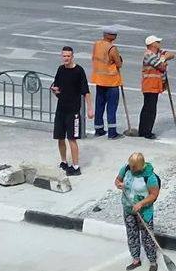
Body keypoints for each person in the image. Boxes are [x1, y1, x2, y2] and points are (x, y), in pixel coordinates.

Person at [114, 152, 160, 271]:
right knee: (132, 235)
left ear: (140, 165)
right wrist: (118, 184)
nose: (131, 169)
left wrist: (141, 203)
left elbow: (154, 195)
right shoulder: (126, 169)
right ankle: (136, 259)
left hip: (144, 211)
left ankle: (152, 261)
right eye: (130, 166)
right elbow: (117, 180)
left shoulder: (150, 177)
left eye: (134, 167)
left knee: (147, 237)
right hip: (128, 208)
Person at [51, 46, 94, 176]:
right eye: (64, 56)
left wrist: (90, 109)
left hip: (73, 111)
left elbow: (86, 91)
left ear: (72, 57)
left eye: (68, 56)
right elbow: (56, 86)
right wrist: (54, 90)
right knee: (60, 137)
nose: (66, 58)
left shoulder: (79, 71)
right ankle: (64, 161)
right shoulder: (60, 69)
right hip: (61, 109)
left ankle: (76, 166)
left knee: (72, 139)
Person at [138, 36, 174, 140]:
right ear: (152, 44)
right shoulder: (149, 55)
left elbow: (171, 55)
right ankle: (146, 132)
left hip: (155, 85)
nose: (159, 43)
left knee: (148, 108)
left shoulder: (157, 53)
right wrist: (163, 61)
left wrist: (163, 58)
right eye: (157, 42)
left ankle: (143, 130)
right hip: (150, 85)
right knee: (150, 109)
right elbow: (161, 66)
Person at [91, 27, 124, 139]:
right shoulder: (112, 48)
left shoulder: (97, 44)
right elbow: (119, 64)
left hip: (99, 80)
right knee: (111, 108)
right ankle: (112, 132)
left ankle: (98, 129)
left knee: (99, 106)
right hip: (111, 82)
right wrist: (119, 59)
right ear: (111, 36)